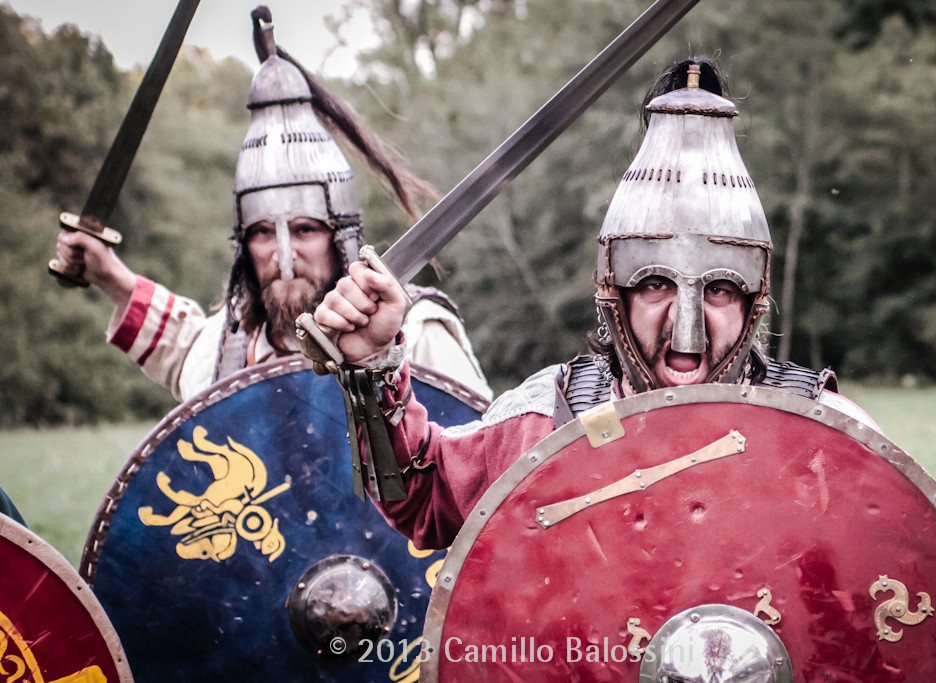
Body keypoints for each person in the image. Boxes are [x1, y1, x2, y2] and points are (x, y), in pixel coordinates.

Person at [312, 58, 877, 550]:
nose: (688, 331)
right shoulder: (546, 423)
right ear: (616, 292)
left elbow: (912, 576)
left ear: (754, 301)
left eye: (720, 290)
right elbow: (425, 497)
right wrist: (373, 363)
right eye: (656, 285)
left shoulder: (826, 434)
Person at [53, 9, 491, 403]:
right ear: (244, 246)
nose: (283, 254)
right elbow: (180, 342)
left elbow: (491, 470)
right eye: (262, 232)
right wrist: (109, 275)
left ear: (341, 235)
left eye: (304, 229)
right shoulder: (225, 354)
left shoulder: (416, 336)